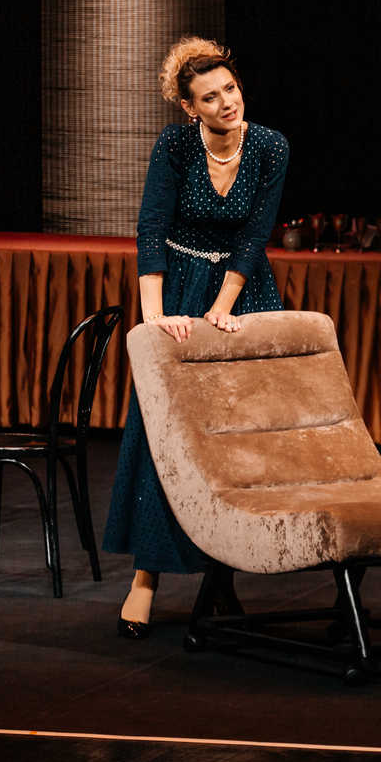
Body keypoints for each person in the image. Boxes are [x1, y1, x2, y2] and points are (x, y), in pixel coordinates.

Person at [102, 36, 289, 638]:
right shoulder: (175, 144)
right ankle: (145, 581)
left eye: (230, 88)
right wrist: (156, 322)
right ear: (190, 107)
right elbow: (151, 227)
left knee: (235, 442)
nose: (226, 101)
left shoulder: (271, 146)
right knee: (164, 433)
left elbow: (255, 235)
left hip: (243, 293)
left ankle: (222, 576)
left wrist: (221, 310)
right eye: (210, 97)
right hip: (179, 288)